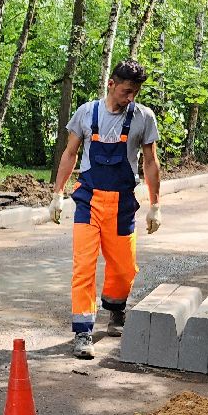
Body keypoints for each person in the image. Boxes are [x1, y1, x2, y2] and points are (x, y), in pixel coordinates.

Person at [49, 60, 162, 359]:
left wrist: (155, 205)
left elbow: (150, 162)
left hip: (123, 202)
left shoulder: (143, 117)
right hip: (88, 200)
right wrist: (58, 193)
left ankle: (115, 308)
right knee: (83, 267)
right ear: (111, 84)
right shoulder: (87, 113)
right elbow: (70, 153)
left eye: (135, 92)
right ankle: (83, 331)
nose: (130, 98)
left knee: (124, 268)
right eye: (126, 91)